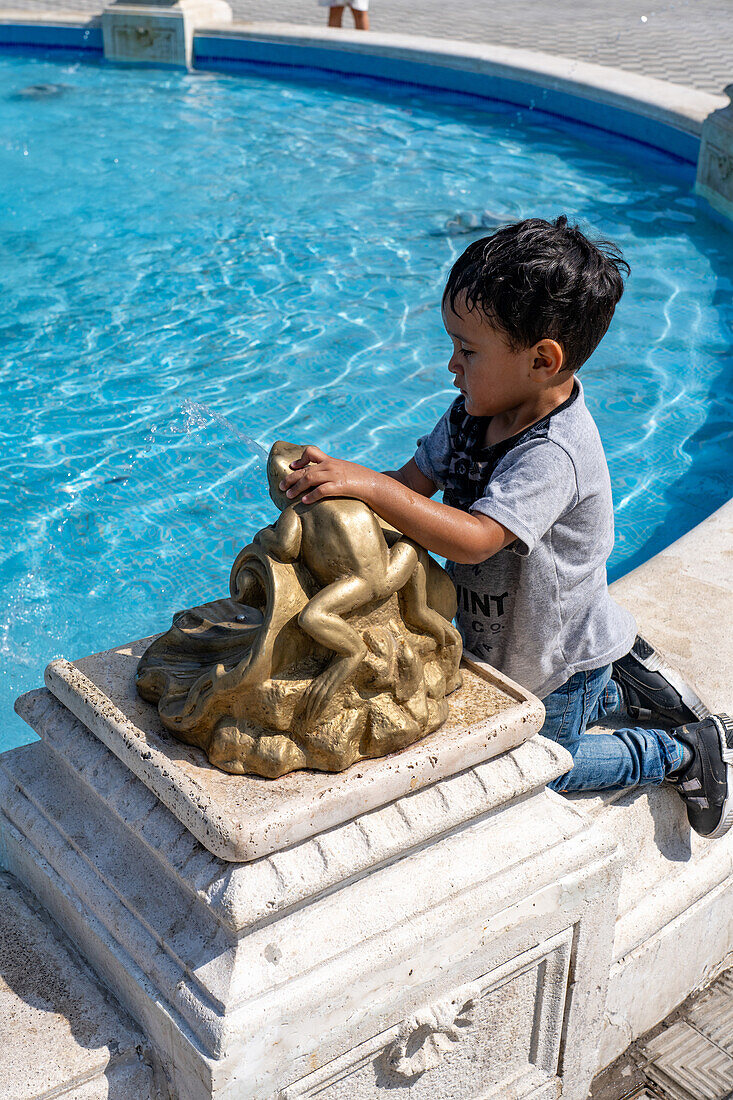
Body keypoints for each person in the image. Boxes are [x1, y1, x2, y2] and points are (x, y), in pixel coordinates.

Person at [278, 216, 732, 839]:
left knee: (540, 767)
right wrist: (334, 488)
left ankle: (677, 752)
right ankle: (625, 687)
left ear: (543, 360)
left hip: (556, 654)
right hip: (504, 634)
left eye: (467, 350)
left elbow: (477, 537)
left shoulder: (555, 453)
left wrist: (372, 486)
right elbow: (410, 486)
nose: (451, 365)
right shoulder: (472, 413)